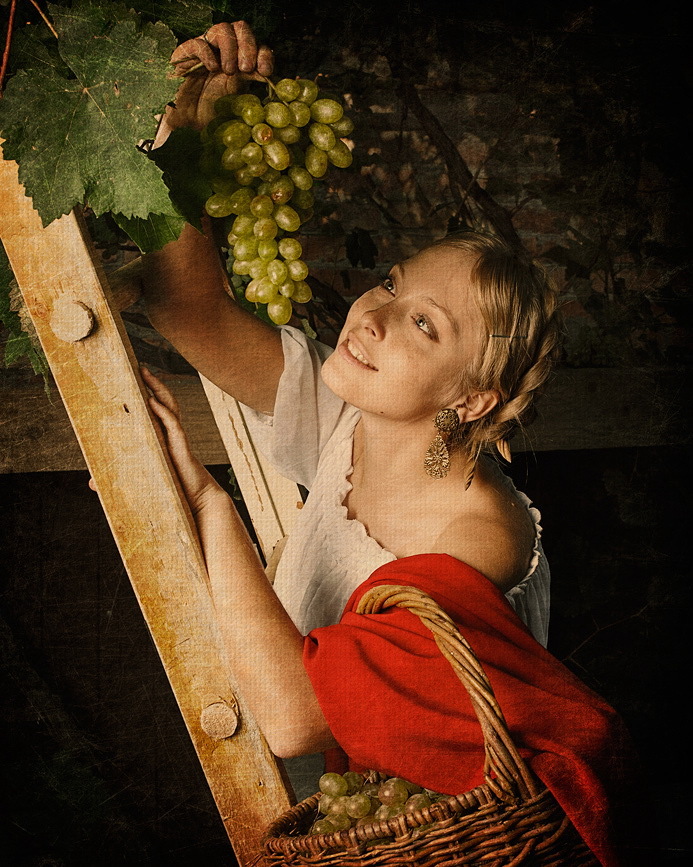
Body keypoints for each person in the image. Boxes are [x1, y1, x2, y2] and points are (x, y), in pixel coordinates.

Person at [138, 22, 647, 865]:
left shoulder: (479, 537)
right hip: (305, 828)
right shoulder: (349, 420)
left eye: (421, 323)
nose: (368, 315)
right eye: (389, 282)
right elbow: (185, 305)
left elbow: (302, 713)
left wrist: (205, 504)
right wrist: (188, 121)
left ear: (472, 396)